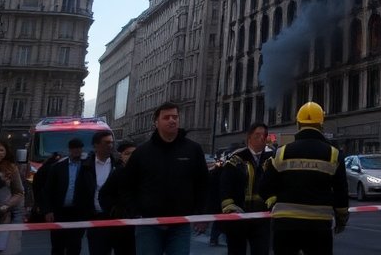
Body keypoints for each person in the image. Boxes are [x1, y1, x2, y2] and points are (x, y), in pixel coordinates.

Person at [120, 101, 211, 255]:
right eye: (166, 117)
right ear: (156, 122)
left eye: (175, 117)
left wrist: (202, 213)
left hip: (180, 224)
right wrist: (135, 211)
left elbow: (203, 183)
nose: (172, 120)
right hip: (148, 224)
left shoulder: (193, 149)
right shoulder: (142, 152)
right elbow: (127, 185)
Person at [259, 102, 348, 255]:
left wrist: (273, 202)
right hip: (319, 227)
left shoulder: (281, 152)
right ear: (321, 124)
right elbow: (341, 193)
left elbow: (264, 187)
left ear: (298, 123)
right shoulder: (333, 155)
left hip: (285, 225)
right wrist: (341, 218)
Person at [221, 122, 274, 255]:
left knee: (261, 250)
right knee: (236, 251)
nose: (262, 138)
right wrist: (229, 205)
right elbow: (225, 184)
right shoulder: (236, 158)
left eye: (264, 135)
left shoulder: (272, 159)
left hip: (262, 217)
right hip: (238, 215)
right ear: (249, 137)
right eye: (257, 135)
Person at [82, 130, 129, 255]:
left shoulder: (119, 166)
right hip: (96, 220)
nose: (110, 146)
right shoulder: (85, 167)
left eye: (112, 143)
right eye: (106, 143)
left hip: (118, 220)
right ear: (96, 145)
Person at [42, 137, 91, 255]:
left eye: (79, 149)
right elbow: (48, 190)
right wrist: (48, 210)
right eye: (74, 149)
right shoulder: (58, 167)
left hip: (78, 212)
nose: (77, 151)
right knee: (57, 244)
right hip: (59, 212)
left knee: (75, 245)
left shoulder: (87, 166)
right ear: (70, 150)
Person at [99, 140, 139, 255]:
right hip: (122, 225)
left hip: (142, 223)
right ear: (121, 156)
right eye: (127, 153)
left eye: (133, 153)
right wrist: (114, 209)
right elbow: (104, 194)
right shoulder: (118, 173)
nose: (131, 156)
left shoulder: (145, 172)